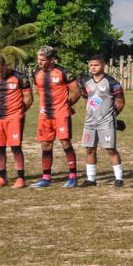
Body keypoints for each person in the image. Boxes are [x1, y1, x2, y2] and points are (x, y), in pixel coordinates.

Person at [31, 45, 79, 188]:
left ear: (52, 59)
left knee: (65, 143)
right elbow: (39, 91)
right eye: (38, 59)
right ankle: (46, 178)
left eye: (43, 60)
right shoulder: (36, 71)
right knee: (45, 145)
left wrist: (66, 105)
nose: (39, 62)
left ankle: (73, 177)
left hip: (61, 113)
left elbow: (76, 91)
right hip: (45, 114)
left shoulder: (64, 72)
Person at [0, 54, 31, 188]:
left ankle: (21, 178)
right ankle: (2, 178)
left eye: (2, 70)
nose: (0, 73)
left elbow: (28, 98)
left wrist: (19, 112)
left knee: (16, 147)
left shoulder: (20, 77)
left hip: (15, 117)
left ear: (6, 65)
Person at [78, 56, 125, 187]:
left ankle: (119, 178)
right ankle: (91, 179)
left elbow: (120, 102)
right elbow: (86, 97)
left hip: (107, 122)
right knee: (90, 150)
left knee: (111, 149)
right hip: (90, 122)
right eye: (91, 65)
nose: (93, 67)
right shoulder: (86, 82)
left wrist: (112, 117)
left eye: (96, 65)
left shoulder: (112, 82)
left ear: (103, 65)